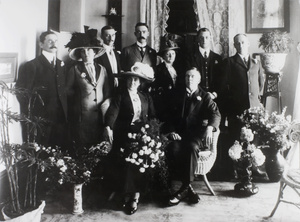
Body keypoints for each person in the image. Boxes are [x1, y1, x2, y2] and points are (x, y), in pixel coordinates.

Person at [103, 62, 155, 215]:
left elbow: (152, 116)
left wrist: (153, 133)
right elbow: (112, 112)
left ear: (141, 83)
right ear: (126, 80)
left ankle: (136, 195)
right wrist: (108, 126)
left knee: (144, 153)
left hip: (143, 133)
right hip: (125, 132)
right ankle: (128, 194)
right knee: (131, 154)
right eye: (130, 79)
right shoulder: (121, 96)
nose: (133, 82)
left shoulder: (145, 97)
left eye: (136, 80)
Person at [165, 67, 221, 206]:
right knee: (172, 148)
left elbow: (216, 114)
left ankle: (184, 187)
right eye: (187, 76)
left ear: (199, 80)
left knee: (191, 148)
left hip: (196, 136)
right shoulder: (178, 94)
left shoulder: (205, 96)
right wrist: (172, 131)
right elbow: (170, 117)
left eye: (193, 77)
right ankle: (187, 189)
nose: (189, 79)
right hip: (180, 135)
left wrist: (210, 127)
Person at [15, 31, 68, 148]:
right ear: (41, 44)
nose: (54, 44)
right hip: (41, 120)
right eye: (50, 41)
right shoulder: (32, 65)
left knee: (58, 152)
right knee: (41, 151)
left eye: (55, 41)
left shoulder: (61, 64)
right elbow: (22, 93)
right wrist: (34, 113)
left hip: (60, 117)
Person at [65, 26, 112, 148]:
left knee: (100, 146)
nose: (86, 53)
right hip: (83, 116)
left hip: (100, 116)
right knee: (84, 147)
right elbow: (68, 91)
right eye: (83, 51)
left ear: (94, 52)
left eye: (89, 50)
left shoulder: (102, 69)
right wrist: (79, 101)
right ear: (80, 54)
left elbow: (107, 91)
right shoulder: (75, 69)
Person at [223, 33, 264, 142]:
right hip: (237, 108)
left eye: (243, 42)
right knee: (237, 139)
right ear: (235, 46)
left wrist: (255, 99)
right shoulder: (229, 62)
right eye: (238, 43)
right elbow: (224, 86)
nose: (241, 45)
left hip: (254, 108)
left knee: (255, 139)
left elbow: (260, 84)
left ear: (248, 44)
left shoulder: (257, 63)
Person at [151, 34, 184, 122]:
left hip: (178, 100)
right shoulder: (158, 69)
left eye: (173, 53)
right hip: (165, 102)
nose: (171, 56)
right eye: (168, 54)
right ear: (163, 55)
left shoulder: (179, 68)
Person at [95, 25, 121, 91]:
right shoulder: (98, 53)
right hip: (104, 89)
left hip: (117, 89)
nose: (111, 38)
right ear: (102, 36)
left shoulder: (116, 53)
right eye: (107, 35)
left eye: (113, 35)